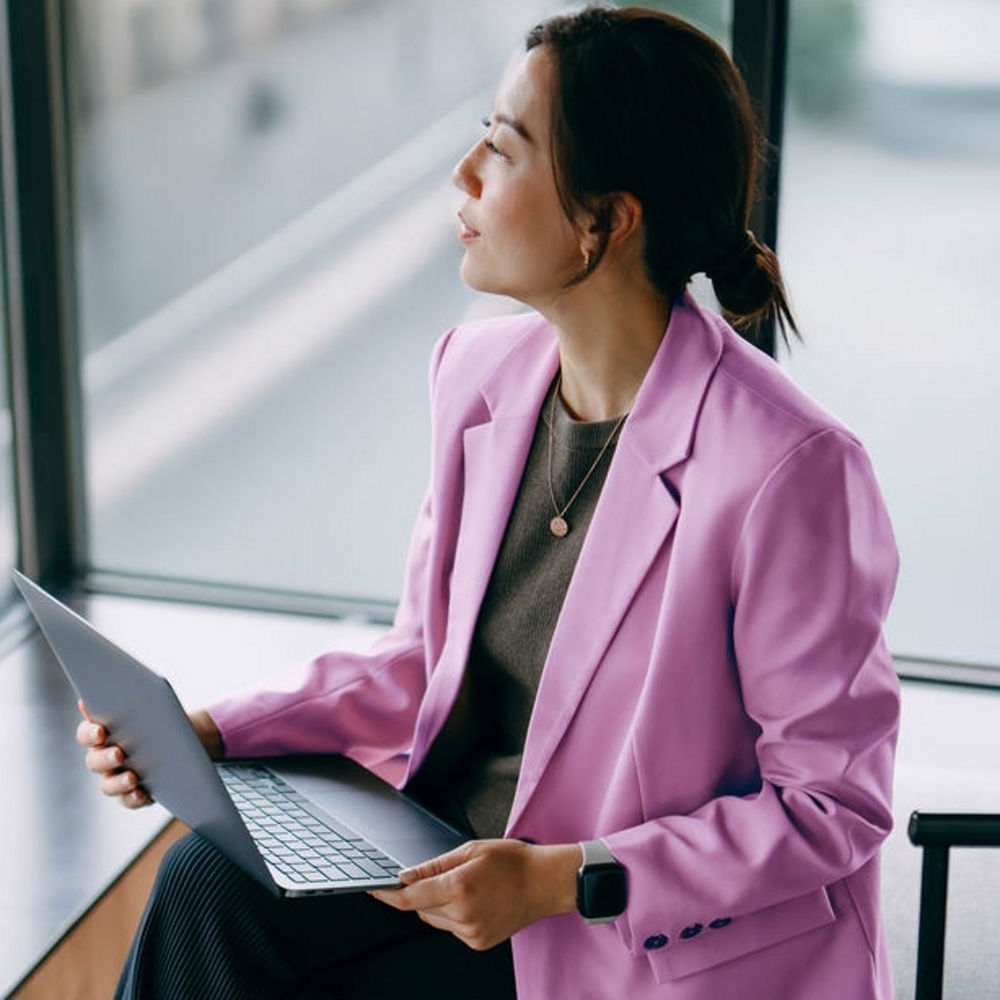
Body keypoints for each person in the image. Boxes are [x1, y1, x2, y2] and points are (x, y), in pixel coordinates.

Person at [77, 6, 901, 999]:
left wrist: (566, 877)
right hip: (461, 864)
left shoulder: (789, 467)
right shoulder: (479, 375)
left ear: (607, 217)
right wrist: (210, 729)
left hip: (628, 927)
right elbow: (425, 661)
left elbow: (830, 804)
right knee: (208, 885)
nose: (463, 174)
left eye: (503, 150)